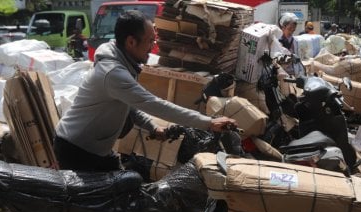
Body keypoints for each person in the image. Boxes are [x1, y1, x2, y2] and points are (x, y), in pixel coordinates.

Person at [54, 10, 236, 172]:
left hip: (95, 148)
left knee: (122, 192)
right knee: (98, 205)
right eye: (150, 41)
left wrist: (152, 126)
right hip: (77, 149)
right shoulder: (113, 73)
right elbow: (154, 104)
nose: (153, 46)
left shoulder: (122, 62)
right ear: (131, 41)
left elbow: (129, 104)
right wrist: (209, 122)